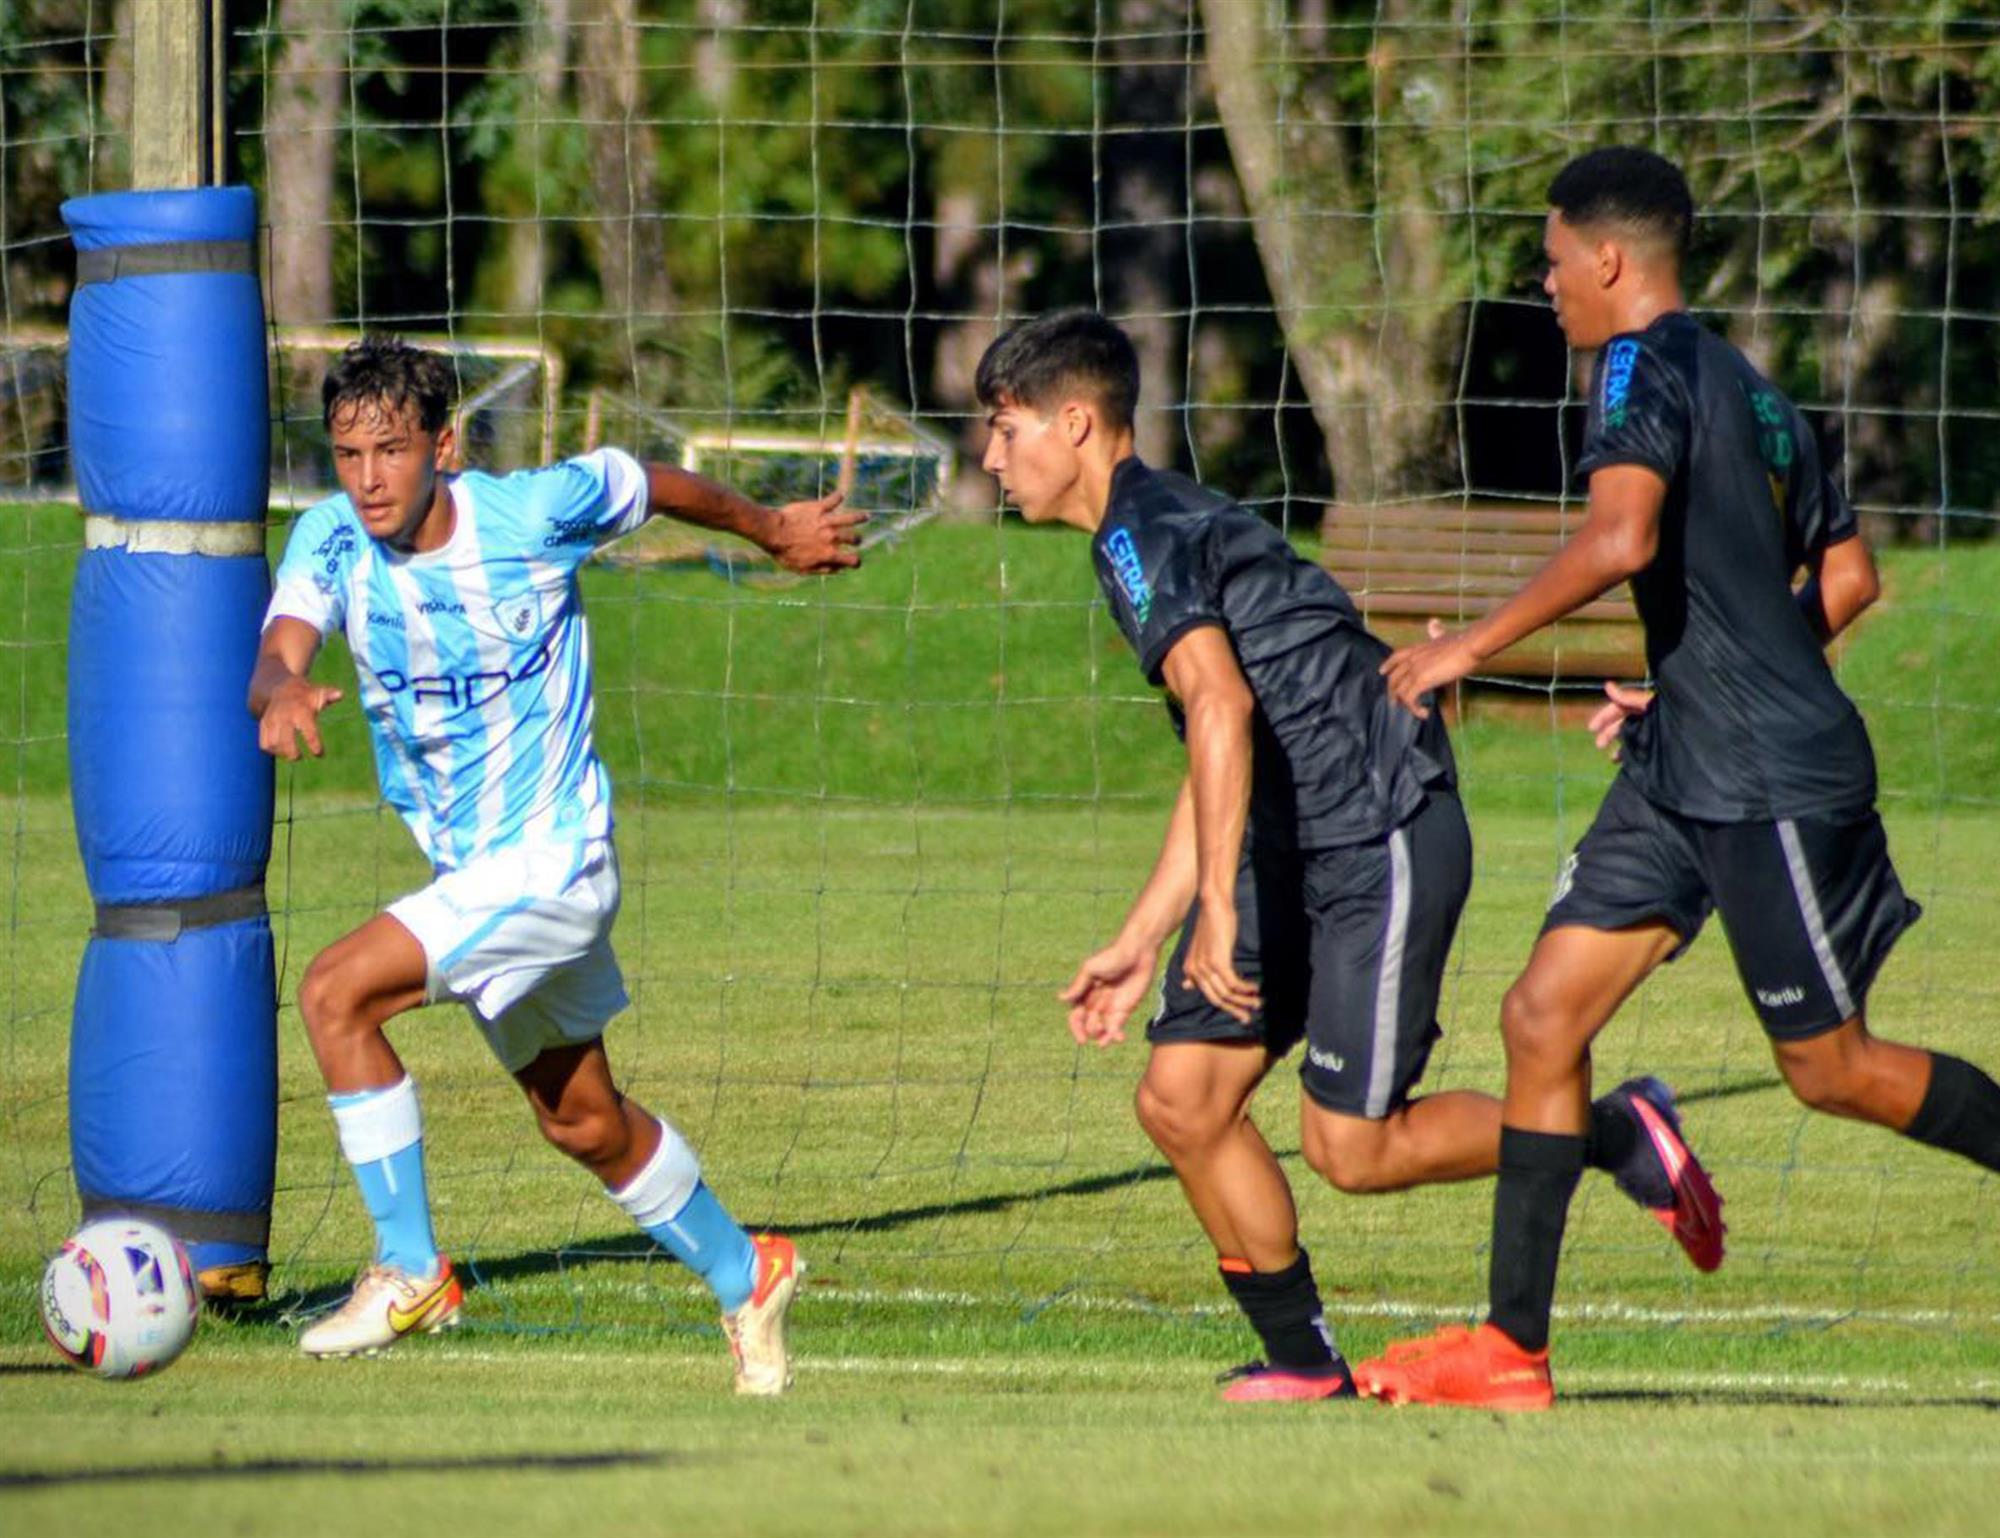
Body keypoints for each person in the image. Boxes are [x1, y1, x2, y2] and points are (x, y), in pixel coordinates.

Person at [974, 309, 1721, 1402]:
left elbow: (1220, 708)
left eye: (1004, 428)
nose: (992, 457)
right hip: (1292, 830)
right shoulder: (1136, 531)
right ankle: (1300, 1356)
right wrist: (1142, 939)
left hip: (1377, 823)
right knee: (1182, 1096)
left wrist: (1218, 920)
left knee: (1352, 1148)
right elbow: (1215, 743)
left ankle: (1612, 1128)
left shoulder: (1141, 532)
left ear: (1074, 422)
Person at [1356, 146, 2000, 1412]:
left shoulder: (1636, 364)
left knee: (1829, 1069)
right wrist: (1694, 673)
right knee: (1543, 1017)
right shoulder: (1748, 383)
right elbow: (1846, 577)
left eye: (1548, 262)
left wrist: (1463, 646)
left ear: (1606, 260)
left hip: (1766, 773)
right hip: (1684, 756)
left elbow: (1619, 536)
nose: (1543, 286)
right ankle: (1510, 1351)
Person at [251, 336, 863, 1390]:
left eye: (390, 450)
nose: (368, 477)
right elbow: (280, 646)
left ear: (443, 444)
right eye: (348, 454)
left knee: (333, 994)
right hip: (473, 875)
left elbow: (649, 481)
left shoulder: (530, 512)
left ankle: (409, 1270)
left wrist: (771, 530)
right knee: (579, 1119)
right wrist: (281, 690)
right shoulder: (329, 540)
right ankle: (745, 1270)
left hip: (554, 859)